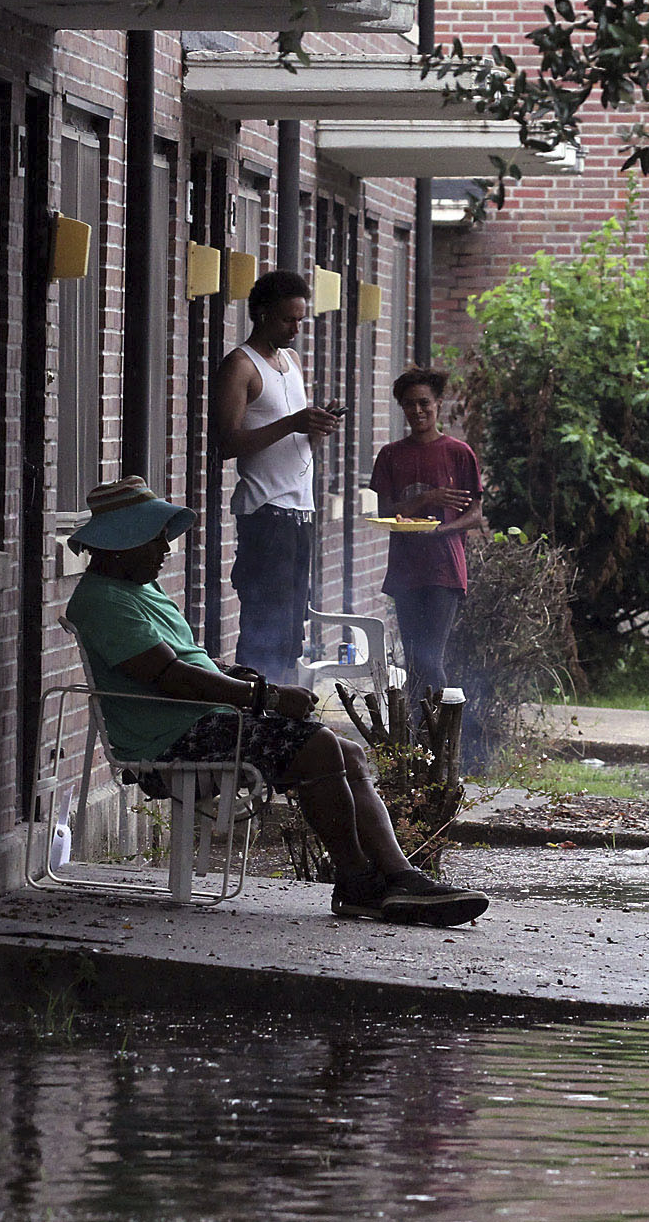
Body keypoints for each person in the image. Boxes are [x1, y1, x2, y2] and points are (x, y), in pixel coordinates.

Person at [63, 475, 489, 927]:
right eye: (154, 541)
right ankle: (356, 880)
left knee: (348, 751)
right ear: (116, 546)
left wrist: (229, 673)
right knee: (319, 747)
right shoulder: (102, 601)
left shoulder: (138, 588)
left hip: (202, 721)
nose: (165, 551)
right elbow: (170, 677)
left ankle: (400, 876)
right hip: (170, 737)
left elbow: (186, 662)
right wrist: (262, 695)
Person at [213, 269, 341, 685]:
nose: (296, 328)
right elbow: (226, 443)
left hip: (301, 511)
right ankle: (252, 725)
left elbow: (296, 445)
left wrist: (316, 428)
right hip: (266, 515)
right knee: (263, 631)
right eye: (289, 319)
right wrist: (292, 423)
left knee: (290, 634)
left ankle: (283, 721)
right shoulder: (240, 365)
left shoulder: (292, 362)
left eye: (302, 319)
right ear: (262, 314)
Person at [370, 366, 483, 704]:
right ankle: (419, 744)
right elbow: (386, 513)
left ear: (438, 404)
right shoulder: (391, 455)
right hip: (405, 570)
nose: (417, 412)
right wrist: (427, 499)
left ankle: (438, 738)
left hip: (444, 570)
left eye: (424, 403)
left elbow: (475, 515)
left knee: (430, 658)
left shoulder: (458, 453)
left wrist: (439, 530)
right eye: (408, 405)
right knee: (415, 660)